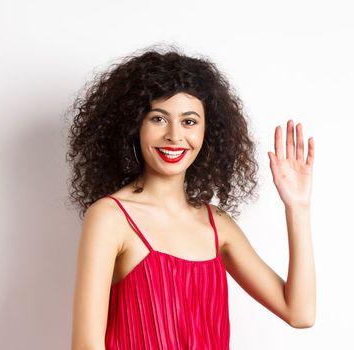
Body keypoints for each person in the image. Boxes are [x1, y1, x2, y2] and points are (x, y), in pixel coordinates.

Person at [67, 46, 316, 350]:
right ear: (134, 126)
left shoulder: (217, 225)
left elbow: (300, 313)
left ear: (207, 132)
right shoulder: (110, 217)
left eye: (189, 121)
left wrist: (298, 207)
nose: (174, 135)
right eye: (158, 119)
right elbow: (86, 346)